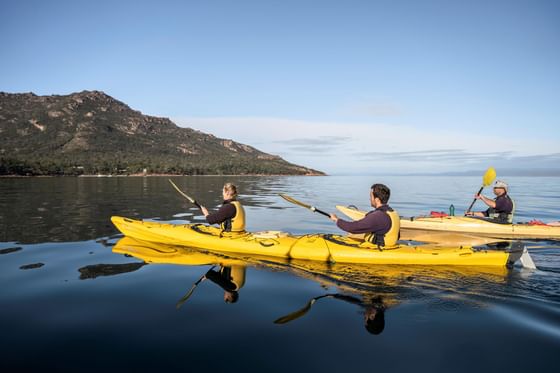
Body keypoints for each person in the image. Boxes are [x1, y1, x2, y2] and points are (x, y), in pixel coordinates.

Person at [329, 183, 400, 248]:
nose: (370, 199)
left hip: (378, 249)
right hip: (389, 246)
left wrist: (337, 220)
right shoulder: (392, 212)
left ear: (377, 200)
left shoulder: (378, 216)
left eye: (371, 196)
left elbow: (353, 228)